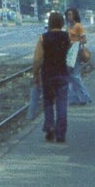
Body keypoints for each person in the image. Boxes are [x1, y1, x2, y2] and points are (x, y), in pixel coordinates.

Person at [32, 11, 71, 143]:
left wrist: (35, 74)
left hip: (48, 74)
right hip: (62, 73)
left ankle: (50, 129)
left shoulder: (43, 38)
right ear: (62, 23)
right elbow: (72, 55)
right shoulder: (67, 37)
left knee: (48, 103)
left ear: (49, 23)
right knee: (62, 103)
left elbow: (37, 59)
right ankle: (61, 134)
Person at [64, 8, 92, 105]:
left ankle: (85, 96)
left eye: (70, 15)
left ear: (75, 15)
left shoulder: (78, 26)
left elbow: (84, 40)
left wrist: (74, 42)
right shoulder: (68, 27)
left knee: (74, 75)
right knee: (70, 76)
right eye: (67, 15)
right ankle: (75, 98)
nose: (68, 17)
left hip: (76, 52)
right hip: (69, 52)